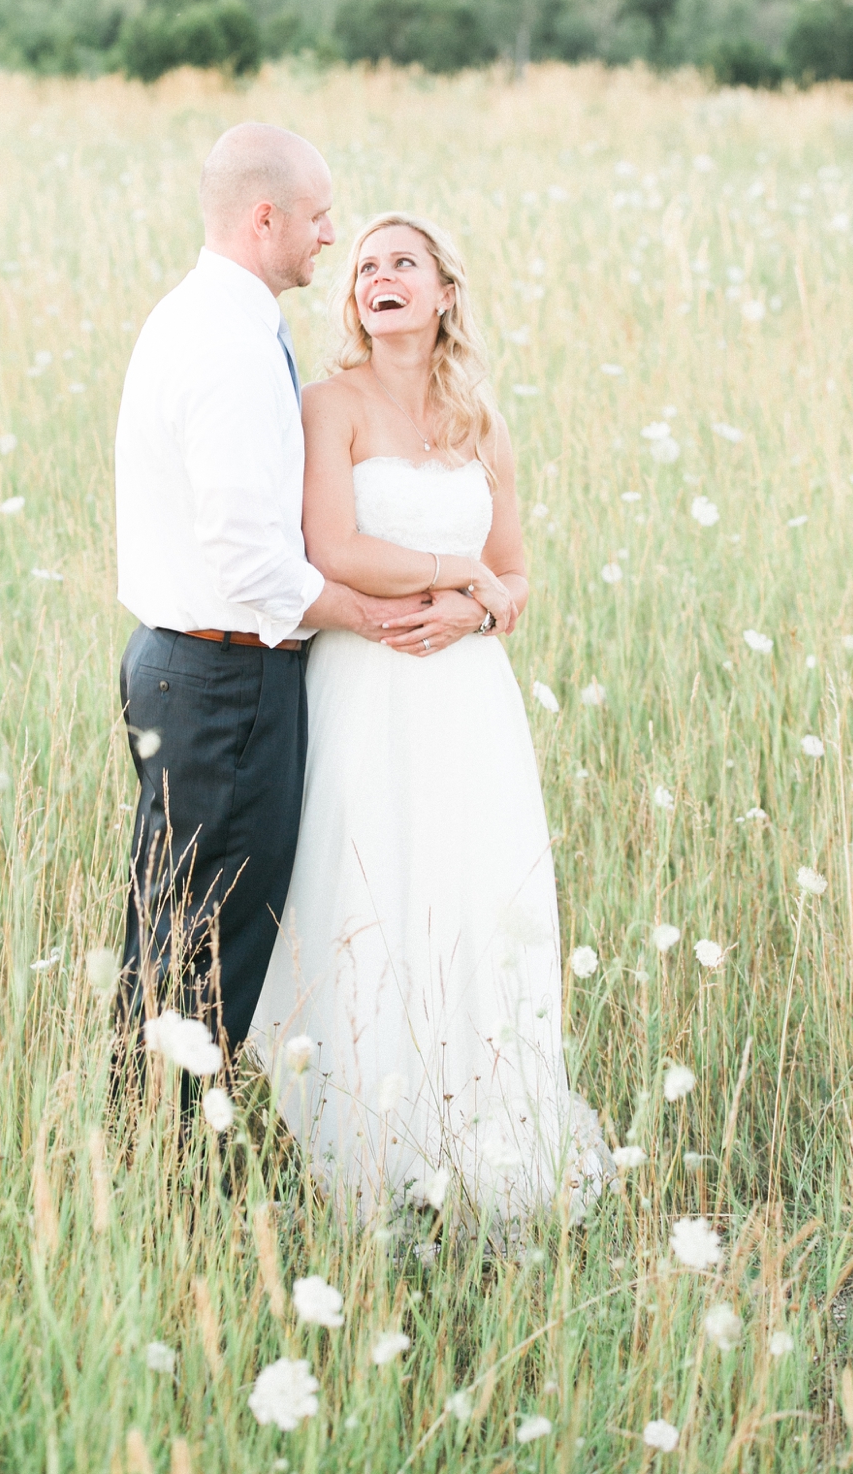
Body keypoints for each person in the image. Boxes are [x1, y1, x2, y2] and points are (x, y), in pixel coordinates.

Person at [252, 210, 610, 1225]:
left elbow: (517, 573)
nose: (378, 277)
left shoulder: (478, 421)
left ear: (444, 291)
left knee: (466, 892)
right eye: (363, 266)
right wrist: (458, 576)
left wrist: (476, 603)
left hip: (465, 697)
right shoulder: (331, 406)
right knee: (368, 889)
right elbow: (332, 549)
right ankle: (365, 1146)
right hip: (364, 686)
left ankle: (479, 1126)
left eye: (401, 263)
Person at [113, 129, 490, 1059]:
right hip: (223, 674)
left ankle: (153, 1138)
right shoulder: (230, 346)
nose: (331, 234)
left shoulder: (214, 318)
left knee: (181, 921)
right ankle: (169, 1155)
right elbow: (252, 561)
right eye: (320, 217)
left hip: (198, 667)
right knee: (209, 933)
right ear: (265, 217)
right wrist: (372, 617)